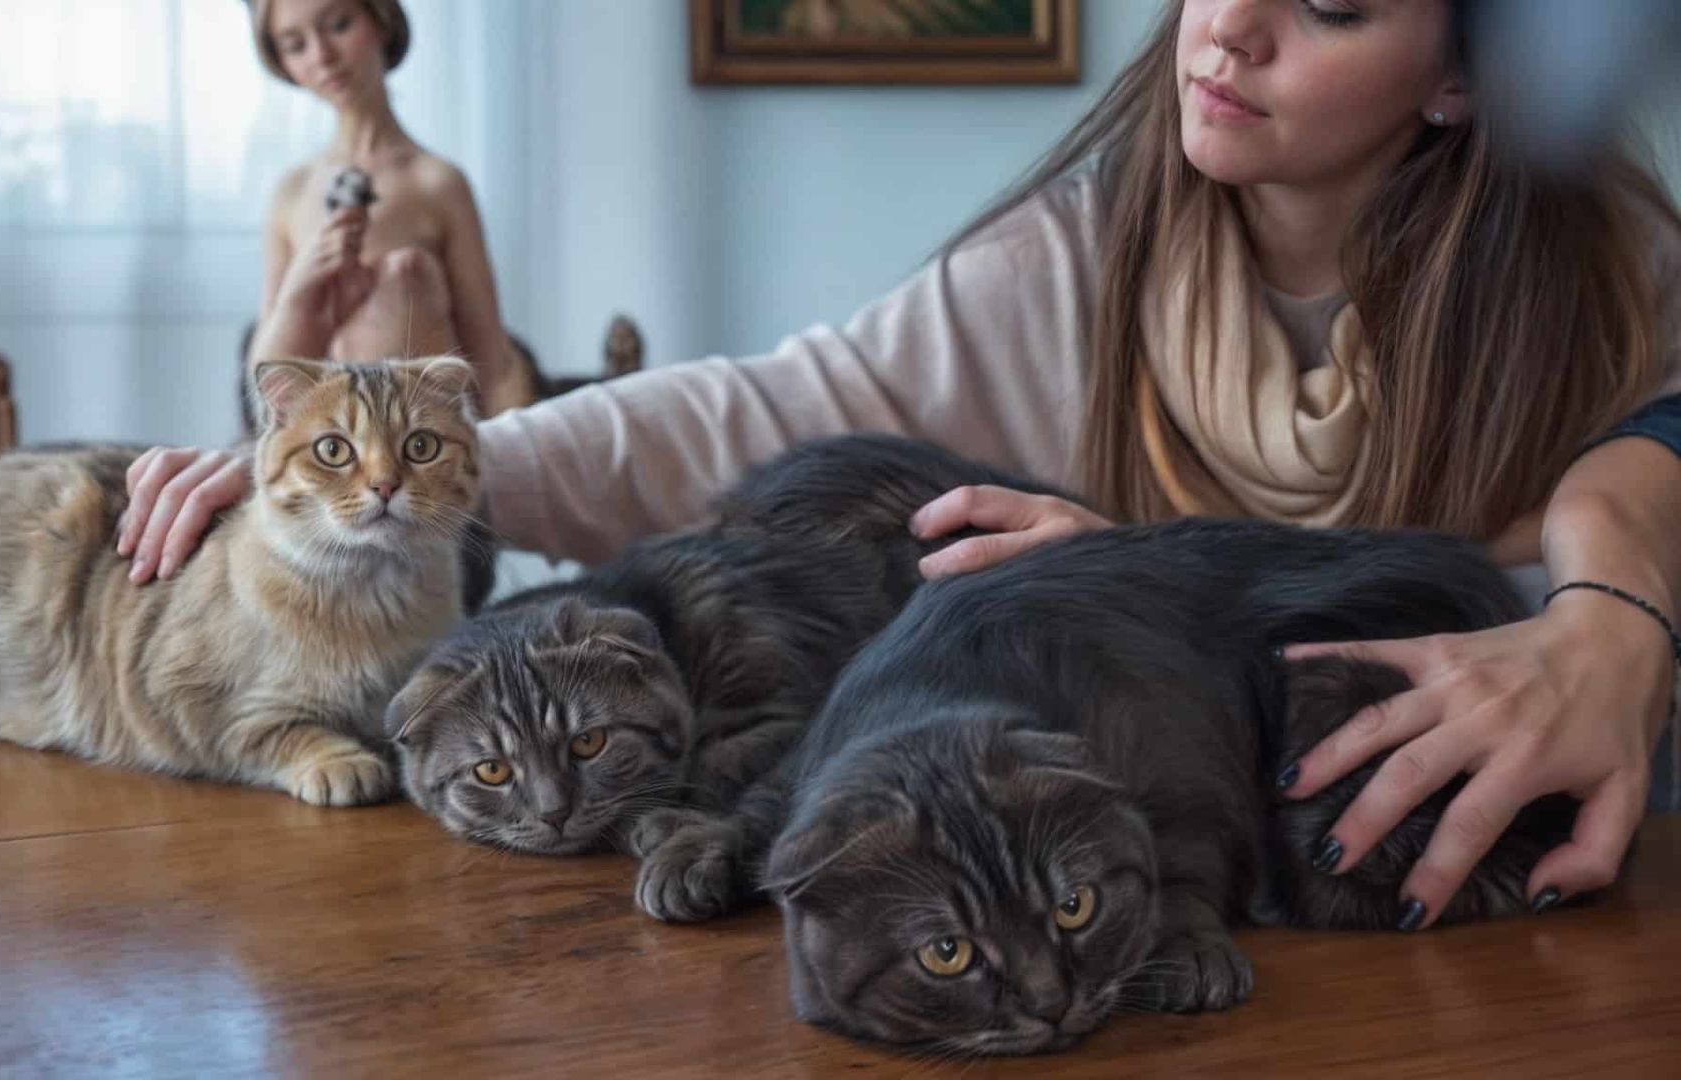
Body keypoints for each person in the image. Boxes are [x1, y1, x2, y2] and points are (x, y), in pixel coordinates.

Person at [124, 0, 1681, 930]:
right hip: (1145, 924)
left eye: (1332, 4)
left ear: (1464, 75)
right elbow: (762, 410)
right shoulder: (1082, 260)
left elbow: (1638, 485)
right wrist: (361, 472)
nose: (1227, 29)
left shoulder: (1613, 277)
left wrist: (1618, 624)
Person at [244, 0, 531, 415]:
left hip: (424, 446)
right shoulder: (292, 194)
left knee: (406, 272)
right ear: (280, 62)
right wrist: (299, 290)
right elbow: (265, 385)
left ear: (381, 21)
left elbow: (491, 361)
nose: (322, 56)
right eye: (295, 44)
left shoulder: (437, 183)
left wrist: (517, 460)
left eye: (339, 25)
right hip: (330, 451)